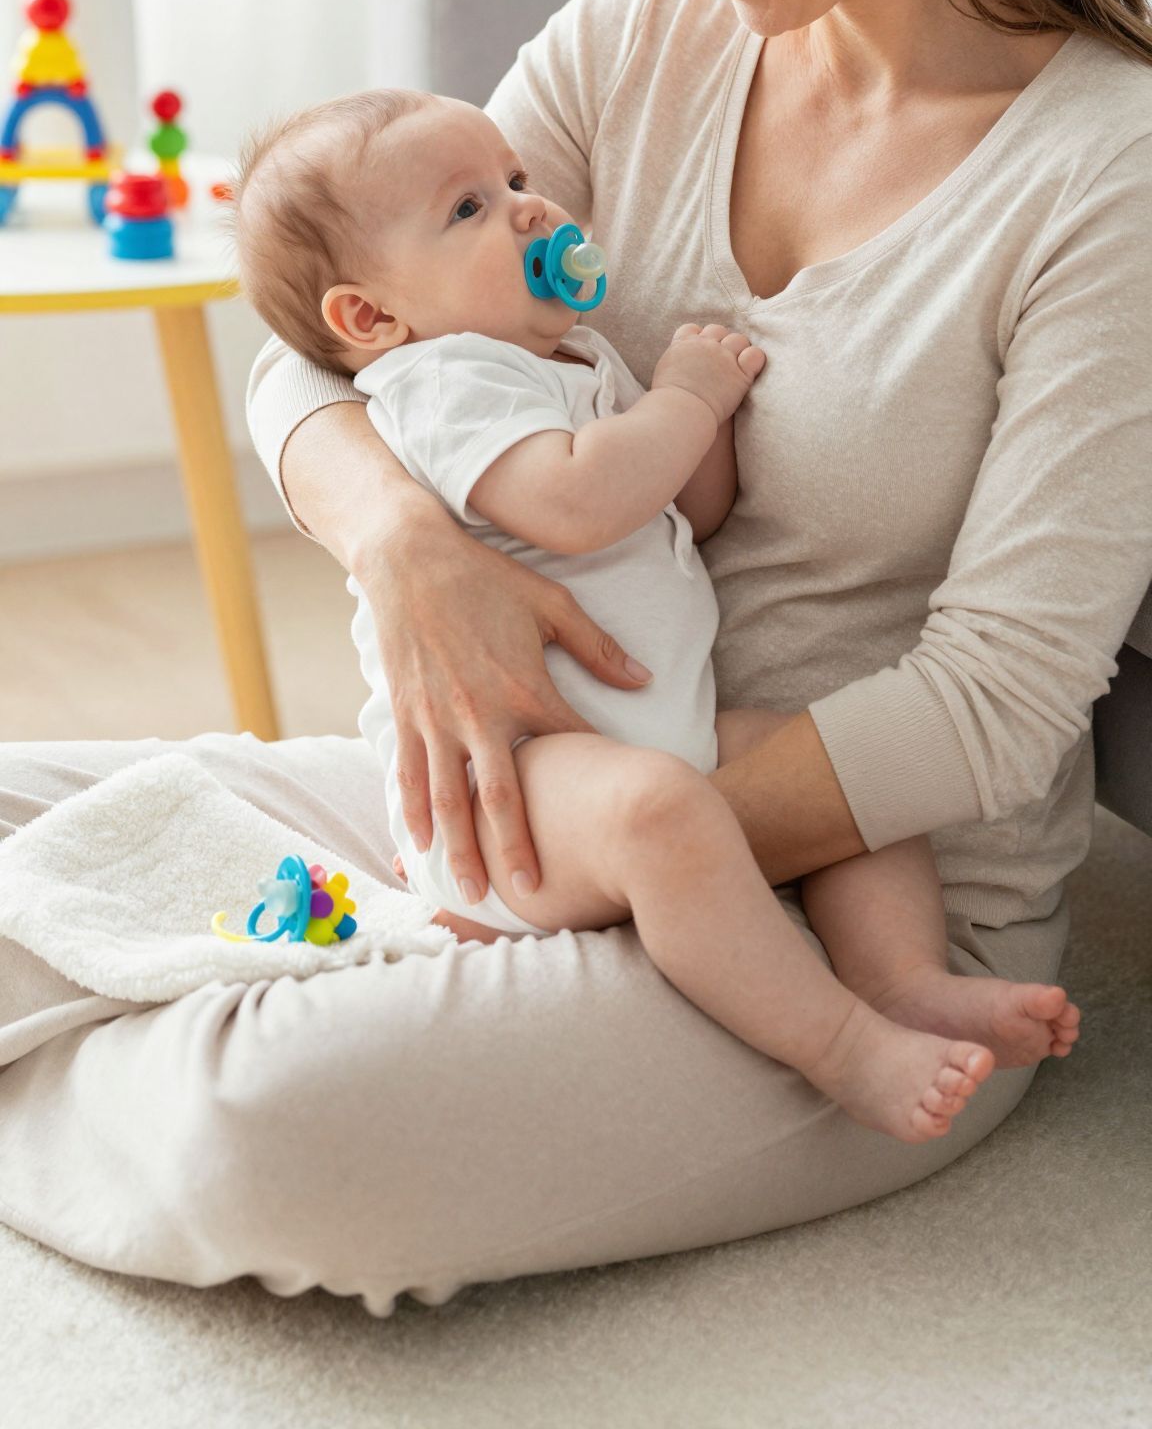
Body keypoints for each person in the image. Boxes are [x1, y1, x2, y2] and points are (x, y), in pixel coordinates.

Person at [2, 0, 1151, 1314]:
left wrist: (623, 843)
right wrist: (401, 547)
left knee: (266, 1130)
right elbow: (324, 337)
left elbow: (1000, 698)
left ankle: (167, 1033)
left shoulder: (1104, 172)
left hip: (845, 914)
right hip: (523, 790)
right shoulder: (645, 38)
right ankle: (173, 1016)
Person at [228, 84, 1079, 1144]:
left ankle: (901, 979)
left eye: (516, 179)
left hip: (653, 733)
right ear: (370, 318)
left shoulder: (570, 359)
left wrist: (689, 426)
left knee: (856, 790)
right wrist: (688, 397)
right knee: (661, 816)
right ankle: (841, 1047)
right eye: (469, 208)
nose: (529, 207)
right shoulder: (442, 381)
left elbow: (688, 509)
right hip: (522, 785)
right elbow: (577, 502)